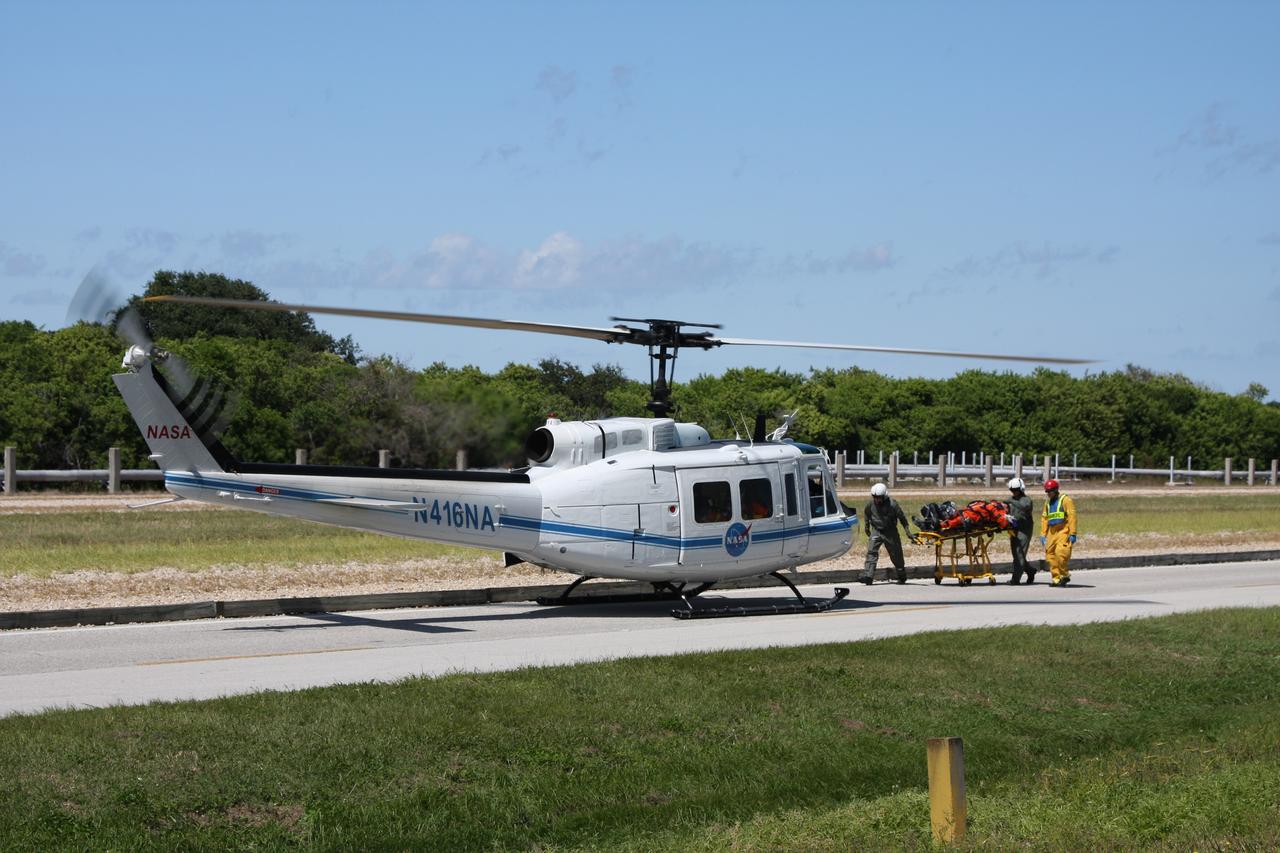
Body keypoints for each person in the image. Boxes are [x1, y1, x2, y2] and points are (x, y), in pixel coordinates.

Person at [860, 483, 912, 584]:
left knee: (896, 554)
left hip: (890, 532)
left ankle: (901, 574)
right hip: (877, 531)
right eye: (875, 497)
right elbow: (867, 513)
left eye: (879, 497)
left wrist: (908, 532)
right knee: (871, 552)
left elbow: (902, 519)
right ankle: (868, 576)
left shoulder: (893, 504)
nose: (877, 500)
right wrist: (866, 526)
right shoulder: (870, 504)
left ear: (884, 496)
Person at [1039, 479, 1077, 586]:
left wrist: (1073, 533)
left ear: (1056, 490)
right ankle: (1056, 578)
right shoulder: (1048, 503)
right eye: (1047, 492)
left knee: (1061, 553)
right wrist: (1043, 534)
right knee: (1050, 555)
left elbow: (1072, 516)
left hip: (1063, 531)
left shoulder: (1066, 500)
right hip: (1052, 532)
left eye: (1050, 491)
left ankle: (1064, 575)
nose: (1048, 494)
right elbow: (1044, 519)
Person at [1005, 477, 1035, 584]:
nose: (1014, 492)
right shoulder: (1012, 500)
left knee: (1019, 554)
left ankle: (1015, 579)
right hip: (1014, 530)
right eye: (1012, 490)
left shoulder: (1026, 500)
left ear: (1021, 489)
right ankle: (1030, 571)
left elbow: (1023, 507)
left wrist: (1011, 502)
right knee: (1017, 554)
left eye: (1016, 489)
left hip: (1024, 531)